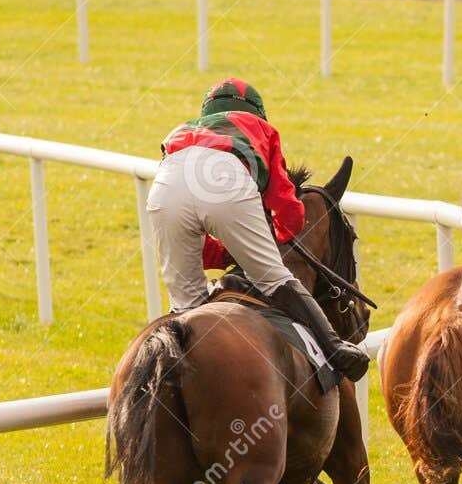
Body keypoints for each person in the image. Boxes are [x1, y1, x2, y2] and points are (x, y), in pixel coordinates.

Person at [147, 78, 370, 381]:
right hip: (228, 179)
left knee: (187, 306)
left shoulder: (184, 130)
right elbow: (286, 204)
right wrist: (278, 238)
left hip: (164, 187)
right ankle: (335, 348)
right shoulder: (261, 130)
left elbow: (198, 249)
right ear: (258, 113)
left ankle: (172, 377)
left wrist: (230, 250)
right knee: (274, 278)